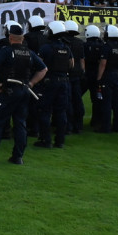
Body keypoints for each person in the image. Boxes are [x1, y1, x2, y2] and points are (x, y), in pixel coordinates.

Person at [0, 21, 46, 165]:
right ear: (23, 38)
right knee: (20, 124)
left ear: (10, 38)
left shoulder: (7, 51)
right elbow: (43, 69)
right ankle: (18, 156)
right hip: (25, 90)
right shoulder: (29, 53)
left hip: (9, 90)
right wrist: (31, 83)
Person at [36, 21, 73, 149]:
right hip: (63, 80)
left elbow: (39, 65)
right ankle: (60, 141)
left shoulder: (45, 48)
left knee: (45, 111)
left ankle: (46, 140)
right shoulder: (66, 47)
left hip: (49, 81)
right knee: (61, 111)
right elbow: (71, 64)